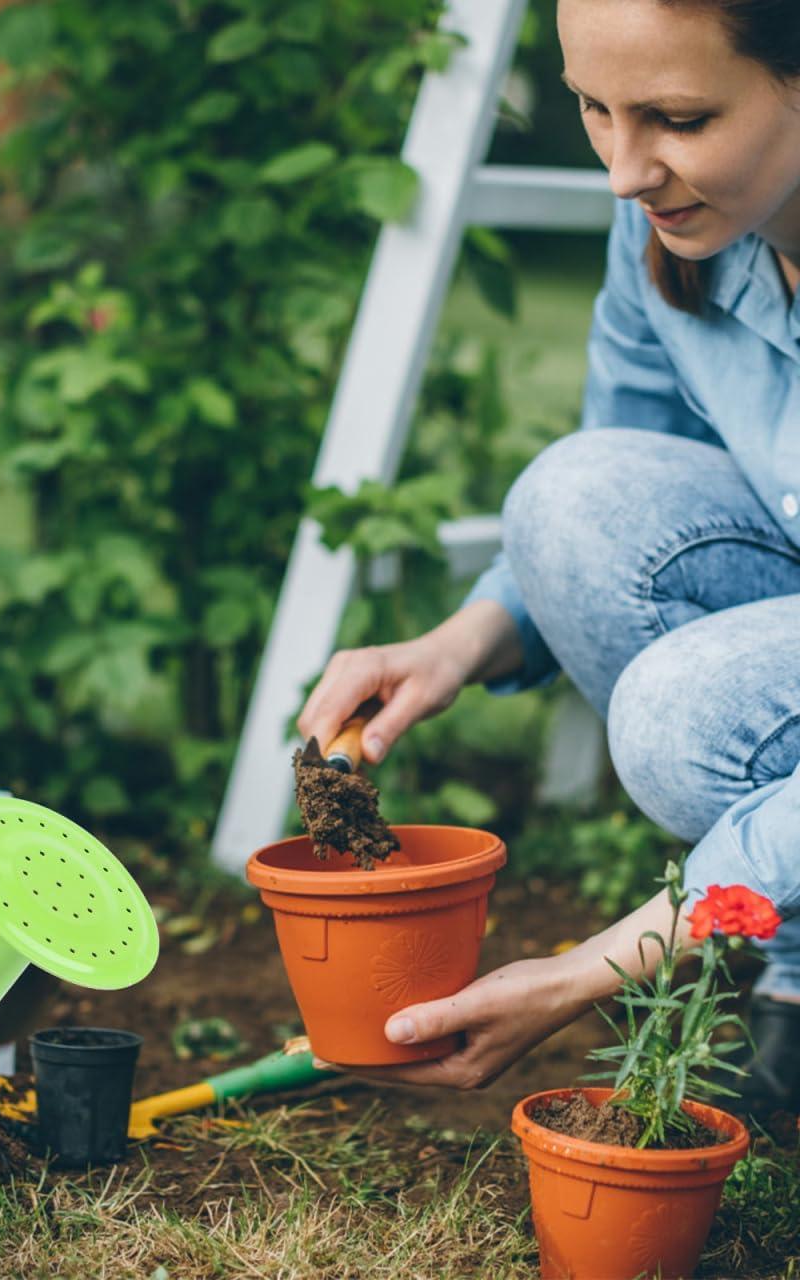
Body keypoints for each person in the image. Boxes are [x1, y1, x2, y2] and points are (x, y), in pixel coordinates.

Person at [296, 0, 800, 1118]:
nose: (623, 172)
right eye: (590, 108)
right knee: (570, 495)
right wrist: (459, 641)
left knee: (685, 718)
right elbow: (628, 484)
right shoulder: (676, 233)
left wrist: (592, 967)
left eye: (673, 116)